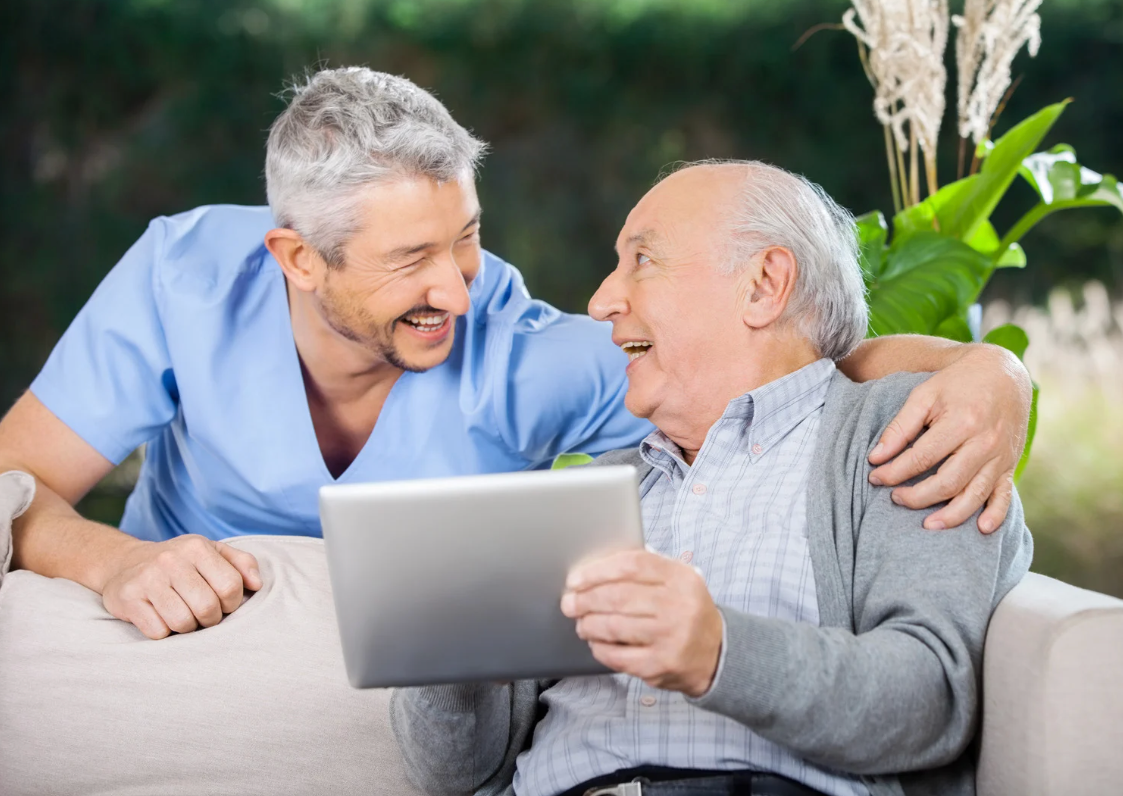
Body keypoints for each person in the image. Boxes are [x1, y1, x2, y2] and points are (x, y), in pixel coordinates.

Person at [0, 68, 1030, 641]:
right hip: (189, 642)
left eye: (468, 236)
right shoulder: (184, 277)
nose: (459, 287)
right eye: (413, 259)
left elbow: (804, 366)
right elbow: (13, 480)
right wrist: (116, 560)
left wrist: (989, 372)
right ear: (297, 259)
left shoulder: (520, 353)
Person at [392, 161, 1033, 796]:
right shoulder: (588, 496)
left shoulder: (901, 434)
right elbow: (457, 775)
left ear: (763, 286)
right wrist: (450, 645)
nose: (600, 302)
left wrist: (718, 652)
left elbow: (929, 703)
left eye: (641, 261)